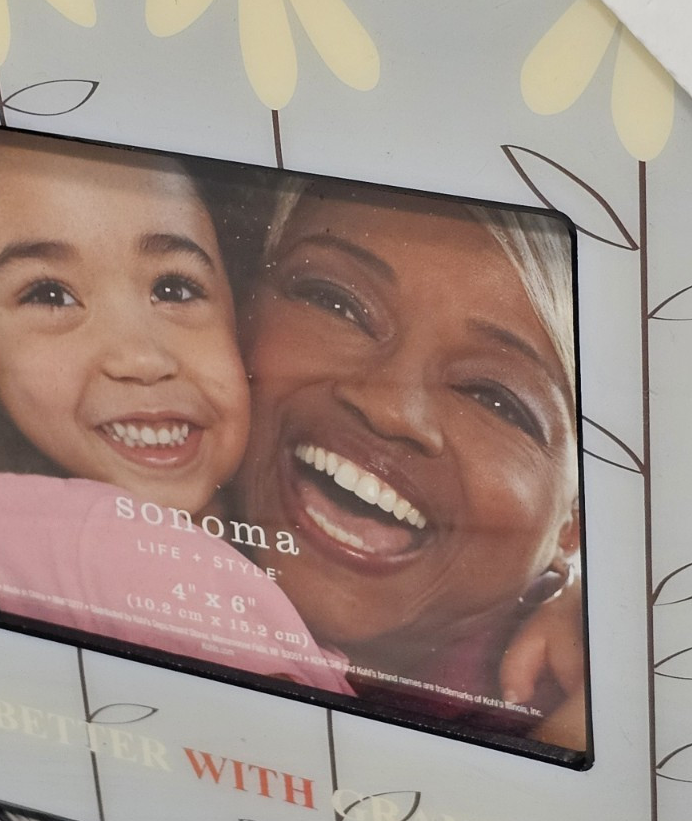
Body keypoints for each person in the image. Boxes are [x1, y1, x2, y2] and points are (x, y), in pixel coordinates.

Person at [0, 102, 351, 692]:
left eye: (173, 287)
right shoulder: (136, 554)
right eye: (50, 295)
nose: (141, 358)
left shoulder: (28, 532)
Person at [234, 179, 586, 750]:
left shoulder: (582, 713)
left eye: (494, 399)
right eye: (337, 304)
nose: (391, 410)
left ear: (577, 524)